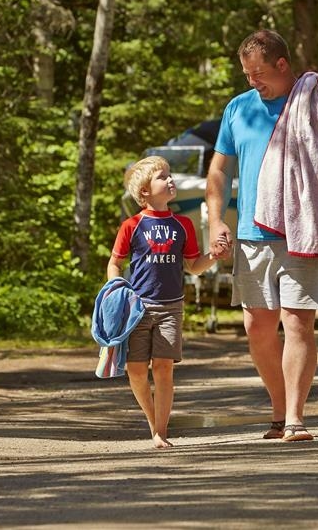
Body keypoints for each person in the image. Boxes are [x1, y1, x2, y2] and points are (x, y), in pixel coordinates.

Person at [206, 29, 318, 442]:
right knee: (257, 327)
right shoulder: (238, 109)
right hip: (252, 234)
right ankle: (278, 409)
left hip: (307, 230)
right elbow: (219, 169)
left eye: (258, 73)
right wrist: (215, 220)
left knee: (297, 324)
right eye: (246, 74)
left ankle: (294, 417)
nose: (252, 82)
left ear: (282, 65)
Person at [107, 155, 226, 449]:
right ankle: (152, 421)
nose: (170, 180)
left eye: (169, 175)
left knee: (163, 368)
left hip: (171, 308)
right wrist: (113, 288)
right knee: (135, 370)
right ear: (145, 191)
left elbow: (192, 266)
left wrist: (214, 256)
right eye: (162, 177)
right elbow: (115, 262)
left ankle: (161, 431)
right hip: (137, 308)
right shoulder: (131, 225)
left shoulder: (183, 225)